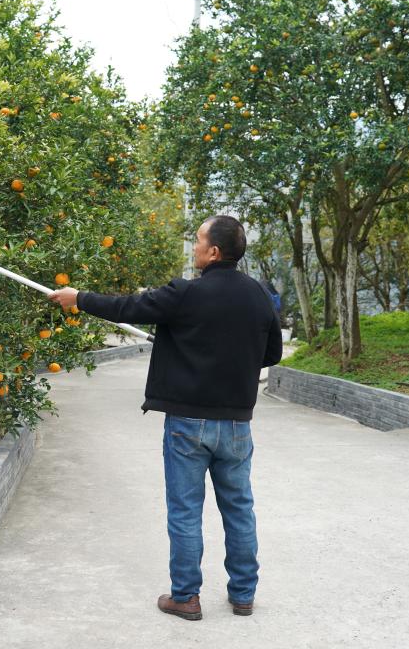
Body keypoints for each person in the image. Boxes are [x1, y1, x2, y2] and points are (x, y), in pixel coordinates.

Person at [47, 214, 282, 621]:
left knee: (186, 510)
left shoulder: (185, 294)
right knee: (239, 509)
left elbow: (128, 307)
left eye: (197, 241)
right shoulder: (259, 295)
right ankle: (243, 595)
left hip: (187, 425)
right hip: (237, 425)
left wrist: (79, 297)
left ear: (213, 251)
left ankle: (186, 598)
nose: (193, 248)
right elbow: (272, 354)